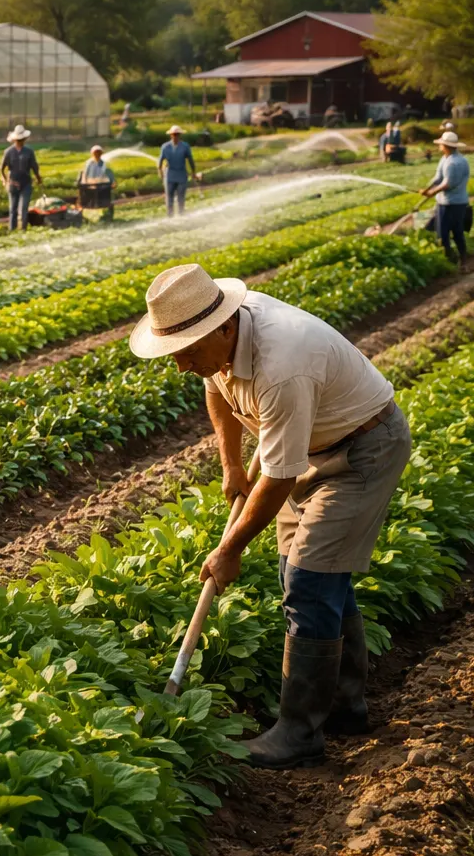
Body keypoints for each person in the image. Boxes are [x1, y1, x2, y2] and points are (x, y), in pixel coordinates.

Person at [130, 264, 412, 769]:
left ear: (223, 327)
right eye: (176, 354)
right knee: (306, 576)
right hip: (307, 443)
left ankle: (299, 733)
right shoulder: (219, 340)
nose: (182, 366)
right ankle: (346, 706)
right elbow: (217, 385)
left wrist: (229, 549)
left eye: (188, 352)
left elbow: (279, 477)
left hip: (361, 449)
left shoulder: (283, 362)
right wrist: (232, 463)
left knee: (308, 580)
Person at [419, 131, 472, 268]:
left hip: (450, 204)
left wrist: (432, 192)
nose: (439, 147)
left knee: (447, 234)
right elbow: (438, 178)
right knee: (452, 233)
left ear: (446, 146)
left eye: (441, 144)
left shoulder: (453, 163)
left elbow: (447, 184)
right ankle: (458, 260)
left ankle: (455, 261)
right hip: (453, 203)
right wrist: (426, 189)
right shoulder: (446, 159)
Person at [0, 125, 42, 231]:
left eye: (21, 139)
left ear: (24, 139)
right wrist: (5, 180)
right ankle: (12, 229)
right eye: (18, 140)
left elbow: (34, 166)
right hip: (13, 183)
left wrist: (38, 178)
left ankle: (23, 229)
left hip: (26, 182)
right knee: (13, 208)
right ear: (14, 139)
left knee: (23, 208)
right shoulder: (8, 152)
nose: (20, 141)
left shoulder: (29, 151)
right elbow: (2, 168)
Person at [158, 125, 200, 217]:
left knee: (181, 198)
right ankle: (170, 216)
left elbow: (190, 160)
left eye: (177, 134)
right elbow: (160, 162)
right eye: (174, 134)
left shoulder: (185, 146)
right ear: (171, 135)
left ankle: (181, 215)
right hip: (169, 176)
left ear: (180, 135)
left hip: (181, 175)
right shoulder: (165, 147)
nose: (176, 136)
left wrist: (193, 172)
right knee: (169, 198)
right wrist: (160, 173)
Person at [78, 145, 116, 220]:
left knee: (104, 190)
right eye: (95, 153)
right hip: (90, 186)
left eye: (99, 153)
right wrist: (86, 183)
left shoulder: (103, 163)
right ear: (92, 154)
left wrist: (113, 182)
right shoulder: (89, 163)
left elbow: (108, 173)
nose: (97, 154)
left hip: (100, 186)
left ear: (101, 154)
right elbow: (85, 174)